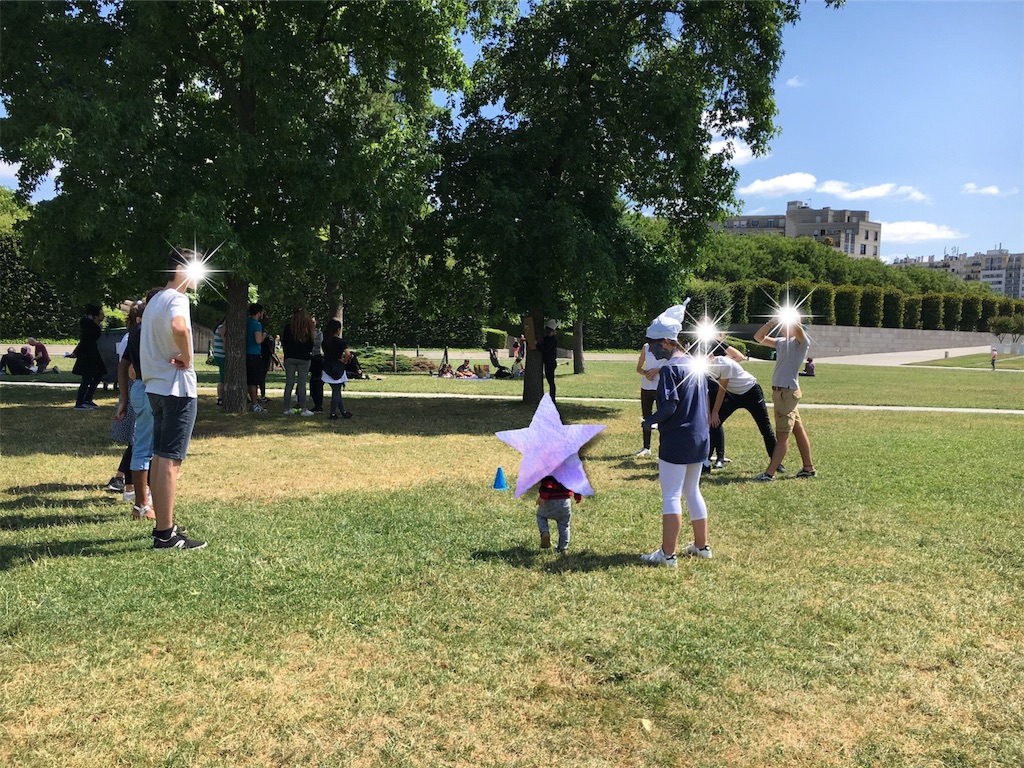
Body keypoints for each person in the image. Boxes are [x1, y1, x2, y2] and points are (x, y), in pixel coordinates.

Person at [140, 248, 206, 549]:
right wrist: (188, 357)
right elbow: (180, 327)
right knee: (170, 461)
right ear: (181, 269)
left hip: (155, 387)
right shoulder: (178, 299)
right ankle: (165, 534)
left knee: (158, 456)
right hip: (176, 388)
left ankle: (163, 525)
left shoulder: (154, 300)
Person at [639, 304, 712, 565]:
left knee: (671, 495)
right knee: (692, 490)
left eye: (655, 344)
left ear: (669, 342)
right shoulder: (695, 364)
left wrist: (649, 421)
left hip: (678, 439)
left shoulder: (670, 369)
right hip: (700, 436)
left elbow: (669, 406)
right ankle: (702, 546)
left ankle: (667, 554)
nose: (651, 348)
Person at [752, 314, 817, 482]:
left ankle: (769, 473)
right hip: (782, 393)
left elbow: (799, 331)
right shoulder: (781, 342)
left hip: (786, 394)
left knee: (782, 436)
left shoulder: (801, 343)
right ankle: (808, 468)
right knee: (798, 430)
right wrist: (772, 322)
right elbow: (758, 337)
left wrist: (792, 319)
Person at [117, 292, 158, 520]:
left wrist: (124, 399)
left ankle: (144, 500)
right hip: (150, 390)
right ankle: (142, 504)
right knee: (145, 446)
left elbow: (124, 367)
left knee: (146, 445)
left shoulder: (136, 331)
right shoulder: (148, 331)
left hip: (140, 390)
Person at [707, 343, 779, 470]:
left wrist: (715, 412)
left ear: (712, 356)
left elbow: (722, 390)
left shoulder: (724, 363)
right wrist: (711, 414)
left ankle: (776, 463)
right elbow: (707, 392)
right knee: (713, 425)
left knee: (765, 428)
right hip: (733, 395)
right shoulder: (702, 369)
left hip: (751, 392)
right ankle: (705, 462)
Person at [635, 338, 665, 457]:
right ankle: (646, 447)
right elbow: (639, 368)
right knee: (646, 417)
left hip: (660, 386)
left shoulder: (666, 346)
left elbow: (672, 365)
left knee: (663, 418)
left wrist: (657, 371)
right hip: (646, 387)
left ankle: (663, 448)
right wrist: (646, 373)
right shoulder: (646, 347)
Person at [281, 308, 315, 416]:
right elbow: (311, 344)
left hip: (290, 357)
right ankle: (304, 409)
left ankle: (286, 408)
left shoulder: (288, 328)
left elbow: (284, 343)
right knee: (302, 384)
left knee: (289, 383)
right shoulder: (308, 328)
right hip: (304, 358)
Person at [72, 304, 106, 409]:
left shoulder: (92, 326)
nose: (103, 316)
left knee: (97, 375)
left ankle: (88, 399)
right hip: (88, 355)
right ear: (96, 316)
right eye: (101, 314)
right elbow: (84, 341)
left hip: (92, 353)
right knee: (87, 378)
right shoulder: (90, 328)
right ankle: (80, 402)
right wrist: (77, 352)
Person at [536, 475, 581, 553]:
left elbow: (548, 484)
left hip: (549, 500)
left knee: (541, 516)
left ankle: (545, 532)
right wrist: (577, 495)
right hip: (565, 502)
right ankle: (563, 548)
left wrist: (543, 497)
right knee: (564, 526)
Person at [321, 319, 353, 420]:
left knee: (336, 390)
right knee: (336, 391)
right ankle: (333, 413)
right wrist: (345, 360)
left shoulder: (325, 341)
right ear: (338, 329)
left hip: (327, 365)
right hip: (337, 365)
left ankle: (344, 411)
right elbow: (348, 353)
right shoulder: (340, 342)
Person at [246, 303, 267, 412]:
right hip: (254, 354)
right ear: (259, 313)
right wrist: (263, 336)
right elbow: (258, 340)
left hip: (246, 353)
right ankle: (254, 403)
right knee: (253, 381)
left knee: (248, 380)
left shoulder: (246, 322)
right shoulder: (256, 324)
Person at [308, 315, 325, 412]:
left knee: (317, 380)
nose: (312, 324)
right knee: (311, 380)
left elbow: (317, 344)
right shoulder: (305, 332)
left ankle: (318, 404)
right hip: (308, 357)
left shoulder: (319, 333)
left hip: (317, 357)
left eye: (313, 322)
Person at [540, 320, 558, 401]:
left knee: (551, 381)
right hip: (547, 361)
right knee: (549, 379)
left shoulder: (553, 339)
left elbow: (546, 349)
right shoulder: (547, 338)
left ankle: (553, 398)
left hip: (550, 361)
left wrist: (537, 345)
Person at [212, 318, 226, 405]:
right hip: (222, 355)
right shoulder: (223, 328)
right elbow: (225, 343)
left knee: (222, 376)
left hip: (218, 355)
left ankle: (221, 398)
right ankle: (220, 397)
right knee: (223, 378)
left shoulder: (220, 327)